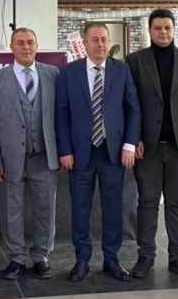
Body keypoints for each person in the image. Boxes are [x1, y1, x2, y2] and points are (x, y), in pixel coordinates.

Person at [55, 22, 141, 283]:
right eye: (95, 39)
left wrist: (129, 144)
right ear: (85, 43)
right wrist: (65, 150)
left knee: (113, 209)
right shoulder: (68, 73)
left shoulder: (121, 70)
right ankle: (82, 260)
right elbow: (61, 114)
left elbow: (133, 109)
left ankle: (111, 260)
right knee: (80, 209)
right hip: (80, 154)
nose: (100, 44)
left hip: (113, 153)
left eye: (104, 39)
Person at [126, 9, 178, 280]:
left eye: (167, 28)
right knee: (147, 202)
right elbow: (130, 104)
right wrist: (134, 138)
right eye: (158, 28)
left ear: (174, 30)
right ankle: (145, 255)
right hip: (147, 148)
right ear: (150, 30)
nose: (163, 32)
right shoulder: (135, 61)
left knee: (176, 203)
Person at [0, 28, 60, 280]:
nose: (26, 47)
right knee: (11, 210)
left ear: (36, 45)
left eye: (30, 42)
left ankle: (41, 256)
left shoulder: (53, 74)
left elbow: (62, 116)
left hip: (44, 156)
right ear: (11, 47)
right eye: (20, 43)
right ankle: (16, 258)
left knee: (45, 210)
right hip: (10, 159)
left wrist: (62, 152)